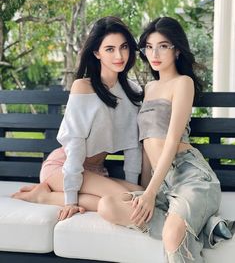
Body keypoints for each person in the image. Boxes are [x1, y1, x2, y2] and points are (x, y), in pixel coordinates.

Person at [97, 17, 234, 262]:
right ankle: (203, 227)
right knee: (107, 206)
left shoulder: (183, 83)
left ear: (177, 49)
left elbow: (171, 141)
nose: (154, 53)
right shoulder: (148, 88)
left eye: (163, 45)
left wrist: (148, 195)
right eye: (149, 47)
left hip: (191, 176)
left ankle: (184, 223)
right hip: (163, 185)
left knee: (172, 235)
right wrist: (146, 190)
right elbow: (147, 147)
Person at [12, 16, 144, 220]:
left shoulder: (132, 92)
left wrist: (134, 182)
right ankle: (44, 198)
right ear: (96, 52)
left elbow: (133, 146)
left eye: (124, 47)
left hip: (97, 171)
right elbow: (75, 144)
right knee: (129, 199)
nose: (119, 55)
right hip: (63, 168)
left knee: (139, 194)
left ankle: (44, 195)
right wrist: (70, 199)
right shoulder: (83, 87)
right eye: (109, 49)